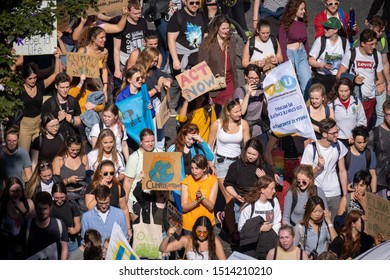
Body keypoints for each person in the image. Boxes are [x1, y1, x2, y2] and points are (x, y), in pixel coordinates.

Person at [207, 98, 250, 244]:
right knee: (230, 198)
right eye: (236, 111)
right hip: (221, 163)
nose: (240, 113)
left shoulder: (243, 124)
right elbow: (209, 146)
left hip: (238, 162)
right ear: (228, 112)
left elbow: (247, 145)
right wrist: (210, 164)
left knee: (240, 196)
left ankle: (227, 219)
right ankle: (233, 232)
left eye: (240, 110)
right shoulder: (217, 125)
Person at [337, 29, 385, 129]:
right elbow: (339, 75)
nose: (374, 47)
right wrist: (353, 79)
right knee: (352, 129)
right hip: (354, 99)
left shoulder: (377, 55)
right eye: (371, 44)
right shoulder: (351, 54)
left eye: (375, 44)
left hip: (370, 100)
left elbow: (380, 79)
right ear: (363, 43)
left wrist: (377, 85)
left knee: (364, 131)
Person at [300, 118, 348, 219]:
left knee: (334, 224)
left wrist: (344, 195)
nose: (337, 135)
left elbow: (342, 171)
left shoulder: (339, 146)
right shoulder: (310, 149)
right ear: (324, 134)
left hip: (335, 193)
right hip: (317, 192)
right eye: (333, 133)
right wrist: (318, 167)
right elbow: (304, 177)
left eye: (337, 131)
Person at [18, 48, 62, 152]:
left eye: (35, 77)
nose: (33, 80)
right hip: (25, 126)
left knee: (41, 150)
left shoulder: (40, 85)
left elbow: (55, 75)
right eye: (30, 78)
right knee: (23, 153)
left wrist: (57, 58)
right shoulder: (19, 88)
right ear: (24, 78)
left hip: (38, 124)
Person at [225, 138, 275, 228]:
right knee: (242, 228)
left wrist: (263, 178)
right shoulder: (236, 166)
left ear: (259, 154)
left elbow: (272, 187)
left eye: (254, 154)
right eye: (249, 153)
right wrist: (236, 195)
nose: (251, 156)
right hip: (241, 201)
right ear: (245, 151)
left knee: (257, 228)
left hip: (258, 202)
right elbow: (228, 183)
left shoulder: (264, 166)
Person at [167, 0, 207, 112]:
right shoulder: (178, 17)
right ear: (185, 2)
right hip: (182, 56)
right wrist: (175, 60)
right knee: (177, 83)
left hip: (197, 54)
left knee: (197, 81)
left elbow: (205, 33)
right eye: (192, 2)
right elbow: (171, 39)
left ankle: (193, 105)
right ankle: (171, 105)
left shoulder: (201, 13)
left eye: (197, 3)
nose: (195, 5)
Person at [198, 14, 238, 116]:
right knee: (217, 116)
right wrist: (207, 93)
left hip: (229, 83)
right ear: (217, 28)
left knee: (230, 114)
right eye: (223, 28)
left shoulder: (231, 41)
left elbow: (233, 65)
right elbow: (202, 68)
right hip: (215, 85)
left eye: (228, 28)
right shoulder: (208, 43)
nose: (226, 31)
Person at [134, 46, 172, 150]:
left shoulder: (153, 70)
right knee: (152, 130)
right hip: (146, 105)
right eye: (153, 61)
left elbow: (165, 75)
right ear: (146, 58)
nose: (155, 63)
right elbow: (140, 96)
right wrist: (158, 88)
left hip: (156, 103)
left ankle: (160, 149)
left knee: (160, 128)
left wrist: (166, 81)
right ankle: (151, 150)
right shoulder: (137, 73)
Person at [123, 129, 163, 221]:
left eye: (152, 141)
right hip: (137, 198)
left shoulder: (160, 153)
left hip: (155, 197)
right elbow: (128, 182)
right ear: (141, 142)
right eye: (147, 141)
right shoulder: (134, 158)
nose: (150, 144)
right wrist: (124, 204)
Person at [85, 160, 131, 239]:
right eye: (105, 173)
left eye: (112, 173)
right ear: (100, 173)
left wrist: (128, 228)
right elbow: (90, 207)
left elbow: (124, 209)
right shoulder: (92, 186)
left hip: (114, 225)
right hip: (97, 224)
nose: (109, 175)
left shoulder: (118, 187)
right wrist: (100, 189)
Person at [237, 175, 281, 260]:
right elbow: (241, 228)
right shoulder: (249, 206)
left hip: (269, 244)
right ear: (262, 190)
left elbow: (277, 221)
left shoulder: (274, 202)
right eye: (271, 189)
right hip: (253, 246)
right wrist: (259, 229)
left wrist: (273, 238)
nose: (274, 191)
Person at [16, 191, 68, 260]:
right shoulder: (27, 225)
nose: (42, 212)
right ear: (35, 207)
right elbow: (19, 248)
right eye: (39, 209)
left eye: (45, 209)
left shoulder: (60, 225)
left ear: (51, 207)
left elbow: (64, 249)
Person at [278, 0, 311, 97]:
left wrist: (308, 59)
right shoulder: (285, 24)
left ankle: (307, 108)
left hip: (302, 55)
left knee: (307, 83)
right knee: (290, 86)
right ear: (294, 9)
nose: (304, 11)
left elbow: (306, 43)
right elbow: (282, 45)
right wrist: (285, 62)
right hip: (290, 55)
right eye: (301, 9)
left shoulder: (302, 23)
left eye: (304, 8)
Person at [309, 17, 348, 95]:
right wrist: (322, 65)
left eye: (327, 28)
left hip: (337, 78)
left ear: (336, 30)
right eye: (324, 27)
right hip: (321, 77)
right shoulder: (320, 41)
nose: (325, 30)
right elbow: (310, 60)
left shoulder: (344, 42)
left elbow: (347, 61)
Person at [159, 215, 226, 260]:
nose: (201, 235)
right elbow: (163, 249)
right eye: (199, 232)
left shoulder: (214, 241)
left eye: (205, 232)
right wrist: (167, 236)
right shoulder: (186, 240)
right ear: (194, 229)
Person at [233, 64, 269, 146]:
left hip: (259, 130)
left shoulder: (260, 92)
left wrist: (265, 99)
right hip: (245, 130)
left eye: (256, 78)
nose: (254, 81)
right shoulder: (240, 91)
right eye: (251, 78)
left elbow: (265, 113)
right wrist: (248, 94)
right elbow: (242, 112)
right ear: (246, 77)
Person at [181, 154, 218, 233]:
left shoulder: (213, 180)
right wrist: (196, 201)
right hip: (190, 225)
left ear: (204, 168)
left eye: (197, 168)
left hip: (206, 224)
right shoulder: (186, 181)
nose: (194, 171)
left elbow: (211, 206)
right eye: (192, 168)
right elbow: (184, 207)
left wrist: (202, 198)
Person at [364, 16, 390, 127]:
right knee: (364, 113)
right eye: (378, 31)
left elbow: (385, 63)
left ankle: (379, 138)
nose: (380, 34)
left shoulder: (383, 41)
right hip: (365, 83)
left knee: (380, 113)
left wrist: (388, 83)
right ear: (371, 27)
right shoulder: (362, 40)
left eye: (382, 31)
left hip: (379, 82)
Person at [0, 177, 35, 259]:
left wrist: (23, 210)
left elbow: (35, 224)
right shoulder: (2, 204)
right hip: (7, 247)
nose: (16, 194)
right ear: (7, 191)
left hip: (26, 246)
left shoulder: (29, 203)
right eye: (12, 191)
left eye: (18, 191)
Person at [52, 134, 89, 212]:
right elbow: (56, 183)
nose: (75, 152)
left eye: (78, 150)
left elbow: (88, 175)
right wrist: (68, 180)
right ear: (67, 146)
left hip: (83, 193)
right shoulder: (59, 160)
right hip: (68, 194)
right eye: (72, 150)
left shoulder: (83, 157)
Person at [113, 0, 148, 81]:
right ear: (128, 11)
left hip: (141, 59)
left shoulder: (143, 22)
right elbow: (116, 49)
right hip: (126, 60)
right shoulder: (121, 25)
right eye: (135, 13)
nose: (138, 16)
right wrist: (117, 69)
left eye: (139, 13)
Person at [328, 78, 367, 148]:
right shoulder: (332, 104)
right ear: (337, 90)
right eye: (341, 91)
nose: (343, 94)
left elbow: (362, 121)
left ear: (350, 90)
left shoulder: (356, 102)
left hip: (353, 139)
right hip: (338, 139)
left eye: (346, 91)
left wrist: (355, 135)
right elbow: (329, 124)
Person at [41, 73, 82, 138]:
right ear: (56, 86)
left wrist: (72, 120)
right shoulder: (49, 103)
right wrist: (58, 119)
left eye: (67, 87)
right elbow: (44, 125)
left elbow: (78, 121)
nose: (65, 90)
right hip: (56, 138)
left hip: (71, 138)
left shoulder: (73, 101)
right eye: (62, 87)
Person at [77, 26, 109, 102]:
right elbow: (76, 68)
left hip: (97, 83)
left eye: (105, 37)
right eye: (101, 38)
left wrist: (105, 86)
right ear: (93, 38)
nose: (104, 40)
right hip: (84, 84)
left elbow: (104, 69)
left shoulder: (104, 51)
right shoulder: (83, 51)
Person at [51, 182, 81, 255]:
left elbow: (78, 223)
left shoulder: (72, 205)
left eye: (62, 197)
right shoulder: (49, 206)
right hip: (54, 242)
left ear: (66, 194)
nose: (60, 201)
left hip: (70, 241)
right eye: (56, 198)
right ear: (52, 195)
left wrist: (75, 230)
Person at [368, 100, 390, 199]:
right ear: (383, 113)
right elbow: (368, 160)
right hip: (379, 182)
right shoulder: (374, 133)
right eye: (388, 114)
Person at [345, 125, 377, 192]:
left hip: (364, 192)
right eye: (359, 143)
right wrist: (345, 187)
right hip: (348, 191)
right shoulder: (345, 153)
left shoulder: (369, 154)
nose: (362, 145)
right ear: (353, 140)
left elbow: (373, 174)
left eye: (364, 142)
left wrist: (374, 193)